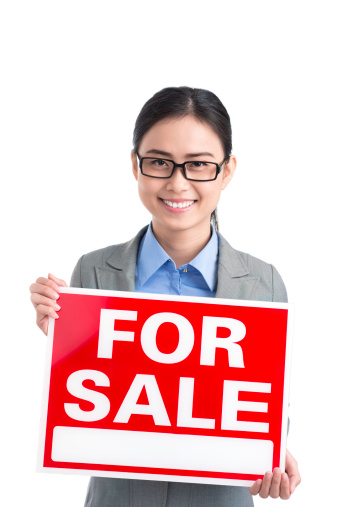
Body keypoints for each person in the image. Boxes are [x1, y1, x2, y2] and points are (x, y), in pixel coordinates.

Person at [30, 86, 301, 506]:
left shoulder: (264, 283)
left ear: (226, 172)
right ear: (135, 166)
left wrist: (273, 452)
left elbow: (261, 404)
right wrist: (62, 342)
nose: (178, 183)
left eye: (198, 165)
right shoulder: (93, 271)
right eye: (159, 162)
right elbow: (96, 404)